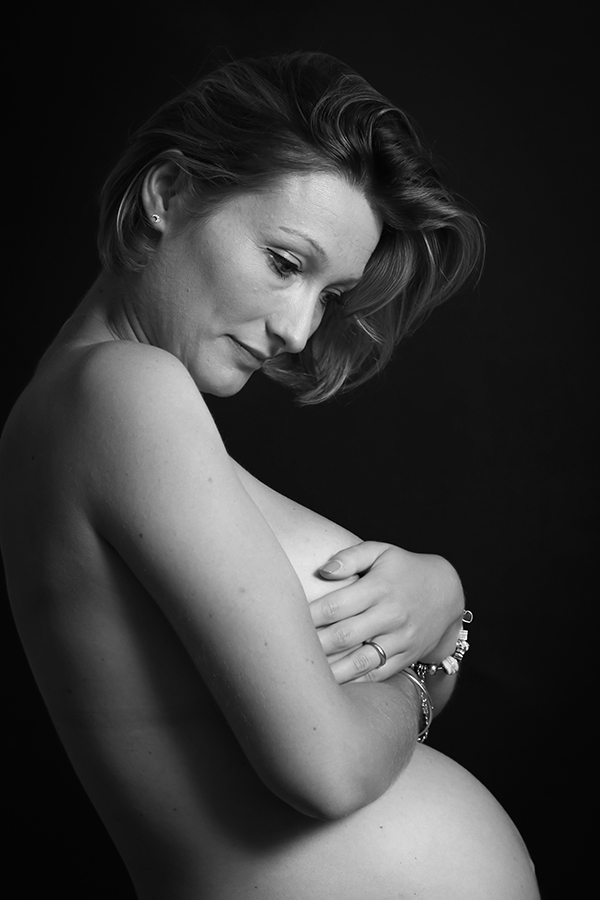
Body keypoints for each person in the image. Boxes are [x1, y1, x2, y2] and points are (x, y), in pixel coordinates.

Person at [0, 51, 539, 898]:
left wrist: (439, 614)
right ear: (167, 193)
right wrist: (432, 649)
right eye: (287, 263)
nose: (297, 331)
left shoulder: (87, 407)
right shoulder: (124, 391)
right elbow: (328, 767)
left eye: (330, 296)